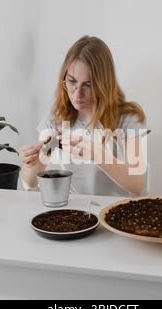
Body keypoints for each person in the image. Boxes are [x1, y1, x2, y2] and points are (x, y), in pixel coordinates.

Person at [19, 36, 150, 197]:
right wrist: (32, 165)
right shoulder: (58, 115)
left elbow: (138, 184)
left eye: (88, 85)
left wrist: (97, 154)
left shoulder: (128, 118)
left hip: (115, 215)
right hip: (74, 214)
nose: (77, 94)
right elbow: (30, 184)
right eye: (72, 82)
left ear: (104, 83)